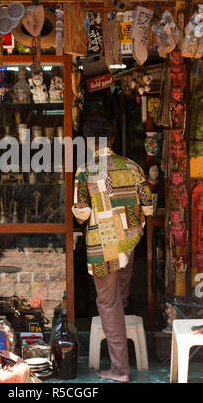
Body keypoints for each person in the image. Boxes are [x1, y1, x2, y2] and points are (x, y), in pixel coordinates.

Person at [72, 116, 153, 383]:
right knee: (119, 298)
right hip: (128, 244)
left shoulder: (85, 171)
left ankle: (120, 370)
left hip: (102, 247)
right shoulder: (133, 167)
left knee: (108, 303)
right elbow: (148, 208)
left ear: (89, 144)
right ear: (113, 139)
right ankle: (123, 350)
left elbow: (82, 215)